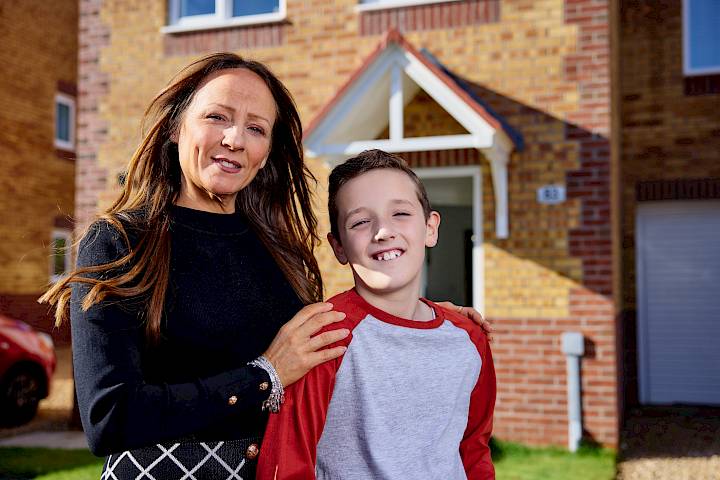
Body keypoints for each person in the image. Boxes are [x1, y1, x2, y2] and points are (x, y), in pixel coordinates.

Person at [41, 54, 489, 479]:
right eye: (217, 117)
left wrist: (428, 319)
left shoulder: (281, 251)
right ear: (176, 127)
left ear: (266, 151)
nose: (235, 139)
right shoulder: (121, 241)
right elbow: (109, 417)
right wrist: (264, 375)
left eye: (256, 128)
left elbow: (330, 343)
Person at [257, 150, 497, 480]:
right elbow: (287, 465)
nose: (383, 231)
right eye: (360, 222)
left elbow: (473, 449)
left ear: (430, 228)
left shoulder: (469, 337)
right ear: (339, 246)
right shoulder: (323, 337)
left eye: (400, 213)